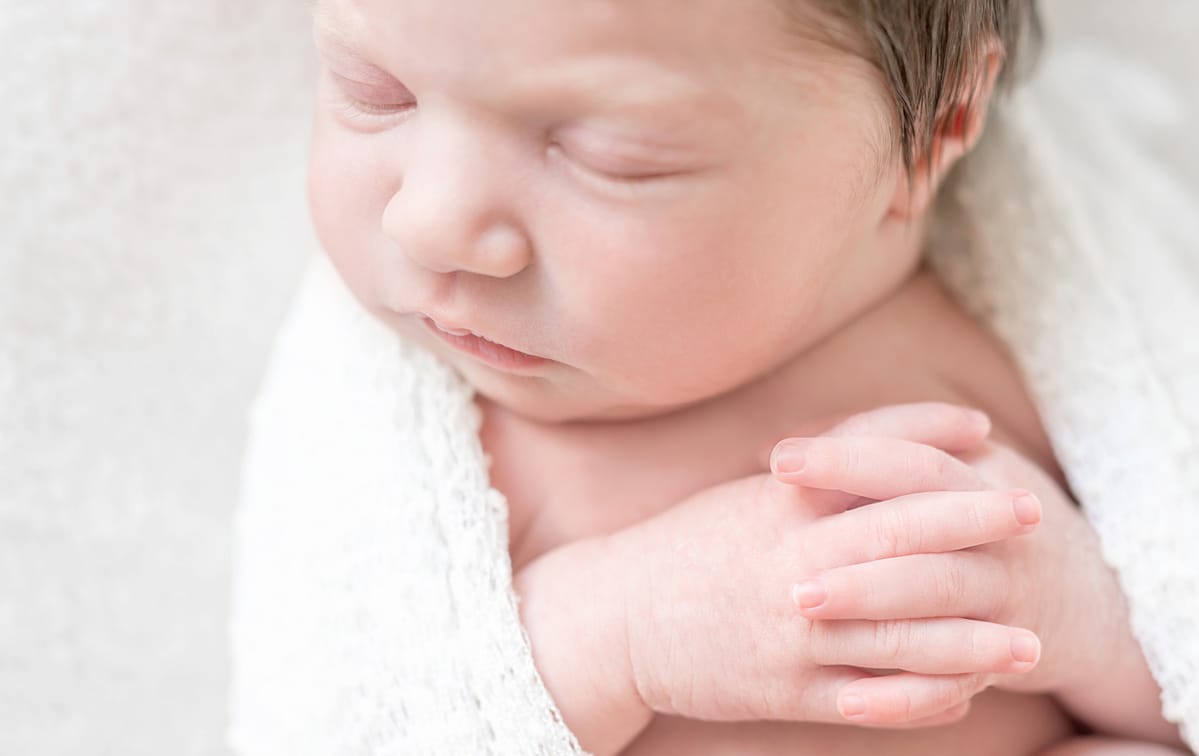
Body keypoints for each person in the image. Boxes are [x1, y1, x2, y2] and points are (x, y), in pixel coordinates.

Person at [305, 0, 1190, 753]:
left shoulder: (1015, 365)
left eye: (612, 156)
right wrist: (617, 637)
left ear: (936, 135)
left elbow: (1175, 632)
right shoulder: (455, 454)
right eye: (374, 93)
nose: (427, 223)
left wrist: (1076, 608)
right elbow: (361, 712)